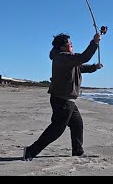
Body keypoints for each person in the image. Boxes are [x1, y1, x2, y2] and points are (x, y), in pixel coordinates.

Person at [23, 32, 103, 161]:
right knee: (56, 129)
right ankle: (31, 151)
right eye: (69, 44)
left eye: (71, 44)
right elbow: (83, 57)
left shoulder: (67, 59)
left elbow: (80, 67)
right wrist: (94, 42)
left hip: (68, 100)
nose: (72, 46)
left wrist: (94, 67)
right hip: (62, 99)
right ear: (62, 47)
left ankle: (77, 151)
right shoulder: (62, 58)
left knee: (77, 124)